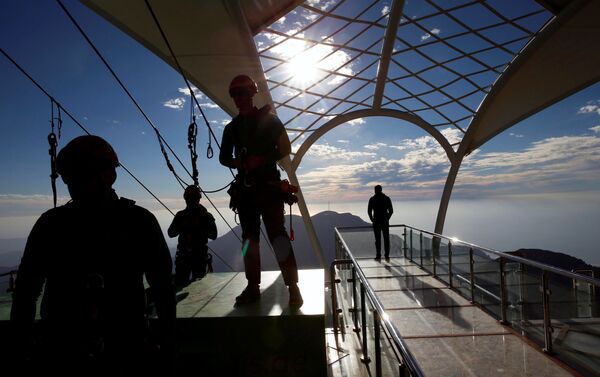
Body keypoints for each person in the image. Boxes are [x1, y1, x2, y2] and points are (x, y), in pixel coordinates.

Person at [10, 135, 176, 375]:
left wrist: (19, 349)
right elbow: (162, 289)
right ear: (110, 174)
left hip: (66, 352)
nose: (76, 183)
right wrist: (168, 348)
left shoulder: (51, 224)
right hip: (123, 349)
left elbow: (26, 292)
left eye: (80, 175)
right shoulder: (139, 221)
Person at [219, 74, 303, 307]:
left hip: (263, 188)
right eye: (234, 94)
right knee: (255, 238)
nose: (237, 98)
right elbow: (224, 158)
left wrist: (258, 160)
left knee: (273, 236)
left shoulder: (249, 125)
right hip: (255, 189)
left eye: (241, 93)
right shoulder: (236, 127)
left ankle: (292, 286)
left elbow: (285, 147)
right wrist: (242, 163)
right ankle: (258, 286)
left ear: (251, 93)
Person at [168, 185, 217, 286]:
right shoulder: (204, 216)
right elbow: (213, 235)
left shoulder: (182, 215)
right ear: (199, 199)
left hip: (188, 257)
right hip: (195, 257)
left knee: (183, 284)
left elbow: (171, 233)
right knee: (199, 287)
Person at [368, 185, 394, 261]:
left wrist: (372, 219)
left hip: (376, 221)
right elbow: (391, 211)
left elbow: (369, 211)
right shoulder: (386, 199)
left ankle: (378, 255)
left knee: (377, 239)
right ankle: (386, 255)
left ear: (375, 190)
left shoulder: (372, 199)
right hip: (384, 222)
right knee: (386, 239)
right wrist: (387, 218)